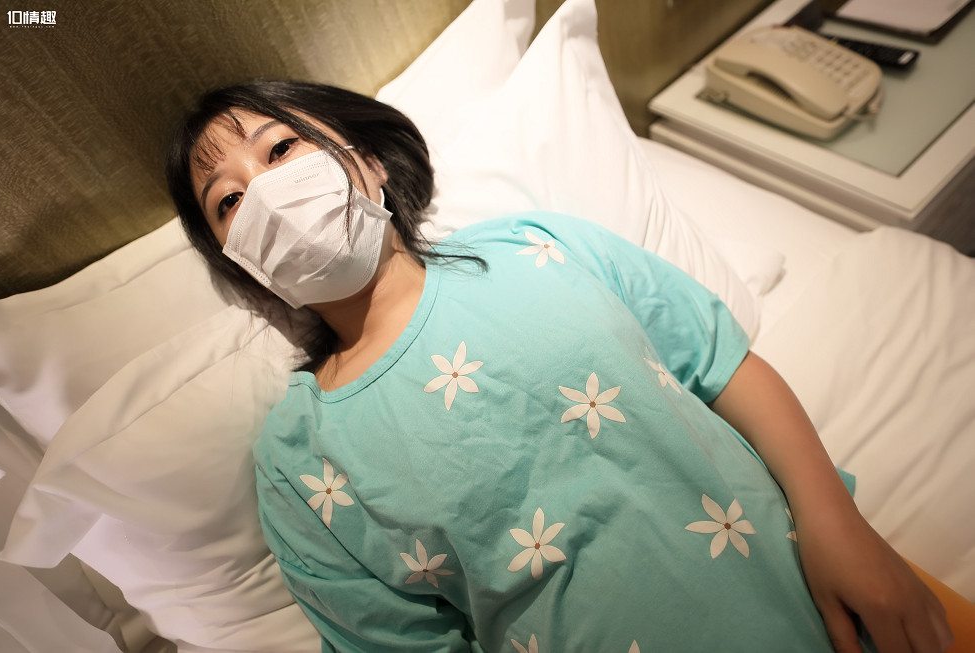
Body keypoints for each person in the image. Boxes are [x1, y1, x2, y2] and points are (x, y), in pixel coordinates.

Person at [166, 80, 955, 652]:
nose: (266, 193)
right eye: (228, 202)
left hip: (839, 600)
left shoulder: (538, 245)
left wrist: (838, 524)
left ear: (367, 159)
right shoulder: (299, 461)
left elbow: (721, 365)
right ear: (243, 265)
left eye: (281, 148)